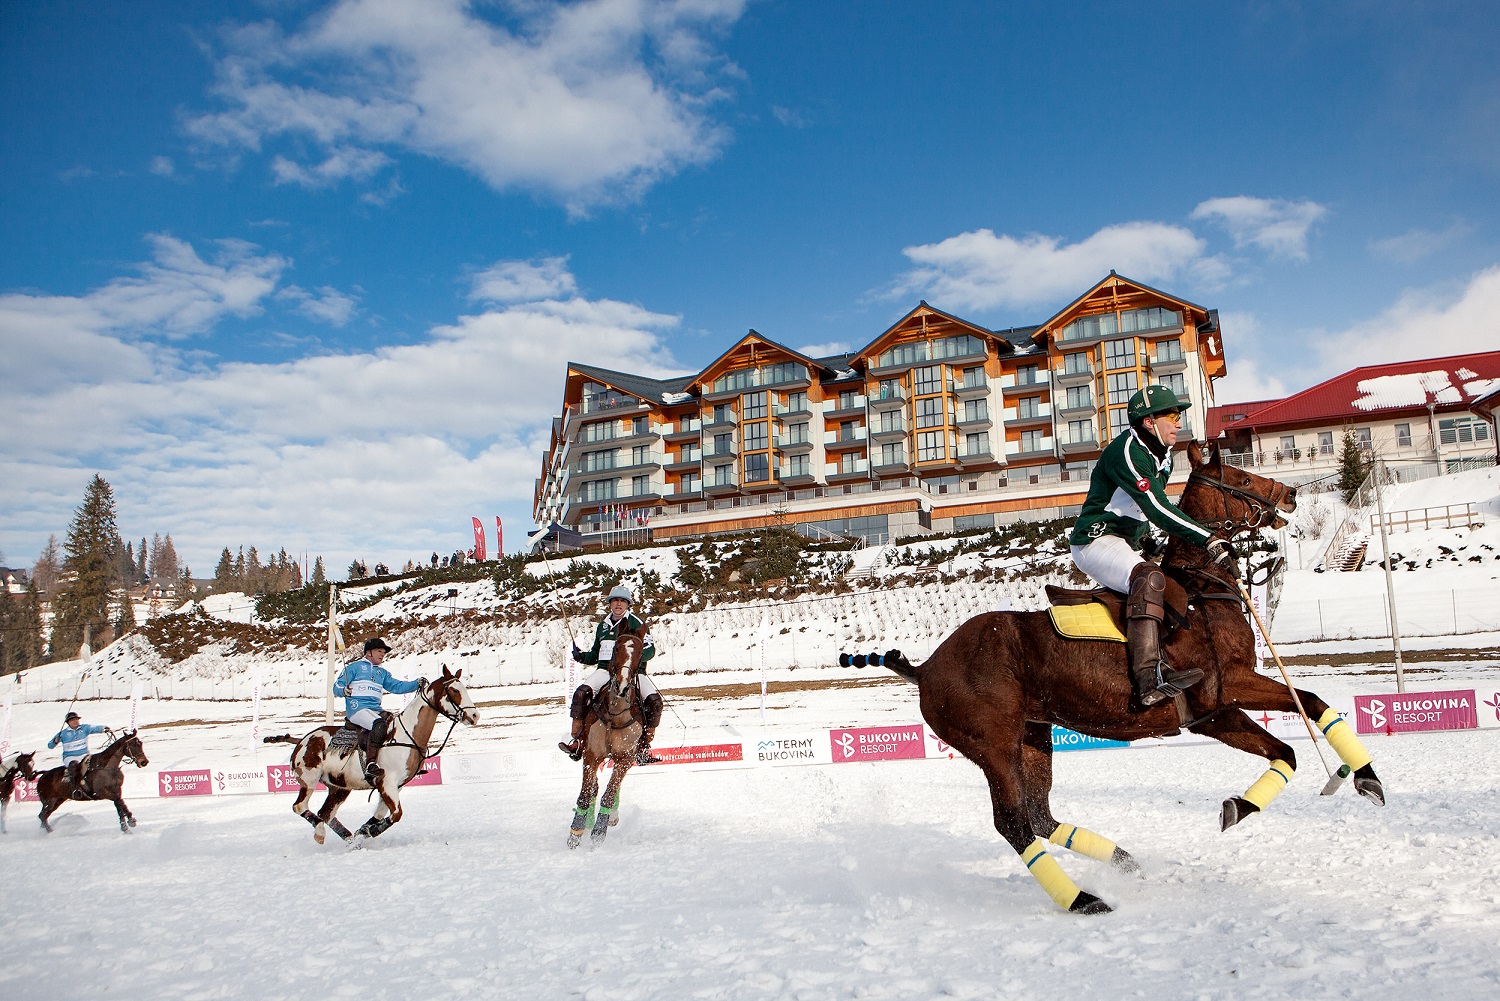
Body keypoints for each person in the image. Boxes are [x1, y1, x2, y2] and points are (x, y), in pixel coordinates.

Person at [1068, 385, 1241, 709]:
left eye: (1179, 416)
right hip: (1095, 540)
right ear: (1149, 422)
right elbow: (1157, 509)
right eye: (1172, 416)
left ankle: (1167, 661)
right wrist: (1209, 539)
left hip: (1123, 541)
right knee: (1149, 578)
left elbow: (1136, 509)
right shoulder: (1128, 452)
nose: (1178, 422)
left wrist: (1146, 539)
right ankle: (1148, 680)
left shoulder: (1162, 457)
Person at [559, 585, 664, 764]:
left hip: (632, 672)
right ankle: (577, 741)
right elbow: (595, 653)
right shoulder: (603, 626)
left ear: (628, 604)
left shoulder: (637, 623)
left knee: (654, 701)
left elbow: (650, 650)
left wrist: (632, 661)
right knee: (580, 694)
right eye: (615, 600)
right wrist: (582, 656)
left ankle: (643, 747)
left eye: (622, 601)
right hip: (604, 670)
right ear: (610, 603)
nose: (618, 604)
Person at [333, 637, 424, 786]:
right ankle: (370, 764)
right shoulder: (354, 668)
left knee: (397, 726)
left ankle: (400, 763)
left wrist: (416, 683)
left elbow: (397, 686)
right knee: (379, 724)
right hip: (358, 709)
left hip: (375, 709)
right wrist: (343, 690)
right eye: (379, 651)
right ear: (368, 653)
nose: (382, 654)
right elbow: (336, 686)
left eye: (384, 652)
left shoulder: (382, 673)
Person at [47, 711, 109, 790]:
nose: (75, 721)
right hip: (70, 757)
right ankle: (75, 788)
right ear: (68, 722)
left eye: (76, 719)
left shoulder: (84, 728)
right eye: (72, 720)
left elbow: (94, 728)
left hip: (84, 755)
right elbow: (50, 746)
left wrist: (103, 728)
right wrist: (55, 741)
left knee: (96, 763)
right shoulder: (63, 733)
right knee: (74, 765)